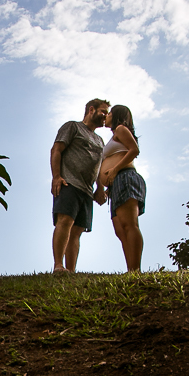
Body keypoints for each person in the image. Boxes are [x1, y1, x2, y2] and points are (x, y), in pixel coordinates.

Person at [50, 98, 109, 273]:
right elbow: (56, 150)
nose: (105, 116)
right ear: (92, 110)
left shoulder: (100, 140)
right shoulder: (72, 127)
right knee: (65, 221)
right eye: (103, 112)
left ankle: (71, 271)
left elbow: (99, 167)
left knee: (77, 231)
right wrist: (56, 177)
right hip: (69, 182)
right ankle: (58, 265)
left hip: (86, 190)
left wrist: (99, 188)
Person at [93, 105, 145, 272]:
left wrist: (115, 169)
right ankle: (130, 268)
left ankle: (135, 270)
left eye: (109, 113)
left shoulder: (121, 129)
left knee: (129, 224)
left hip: (126, 177)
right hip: (116, 185)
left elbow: (134, 150)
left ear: (116, 116)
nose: (106, 116)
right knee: (120, 230)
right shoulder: (114, 136)